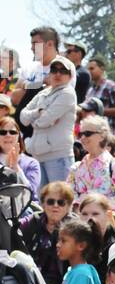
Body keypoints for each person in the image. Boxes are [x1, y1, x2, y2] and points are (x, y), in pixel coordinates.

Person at [19, 55, 77, 186]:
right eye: (54, 70)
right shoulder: (43, 93)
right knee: (43, 202)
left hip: (58, 156)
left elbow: (44, 121)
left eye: (63, 71)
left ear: (70, 76)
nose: (57, 73)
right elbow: (22, 117)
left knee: (60, 201)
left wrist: (33, 120)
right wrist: (38, 113)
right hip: (39, 155)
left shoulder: (68, 93)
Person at [69, 115, 115, 231]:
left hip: (109, 216)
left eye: (87, 133)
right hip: (81, 215)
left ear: (102, 135)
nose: (82, 138)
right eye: (80, 134)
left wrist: (93, 210)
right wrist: (83, 213)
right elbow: (70, 197)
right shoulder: (76, 167)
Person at [20, 181, 74, 284]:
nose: (55, 205)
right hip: (32, 279)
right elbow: (12, 228)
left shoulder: (75, 227)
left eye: (61, 202)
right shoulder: (33, 221)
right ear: (43, 204)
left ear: (69, 206)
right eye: (50, 201)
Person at [12, 26, 60, 140]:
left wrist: (25, 87)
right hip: (25, 135)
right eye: (31, 44)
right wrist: (40, 85)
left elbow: (52, 100)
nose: (32, 48)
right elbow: (14, 97)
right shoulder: (29, 67)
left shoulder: (62, 68)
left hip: (49, 135)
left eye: (35, 43)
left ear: (49, 44)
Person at [0, 116, 41, 199]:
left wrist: (16, 167)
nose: (8, 135)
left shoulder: (31, 163)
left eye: (12, 132)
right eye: (3, 132)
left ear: (19, 136)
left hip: (24, 209)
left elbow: (31, 192)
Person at [83, 57, 115, 124]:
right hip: (91, 130)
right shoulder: (90, 90)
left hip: (106, 130)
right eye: (88, 69)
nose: (89, 71)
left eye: (92, 68)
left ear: (102, 69)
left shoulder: (110, 86)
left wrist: (98, 111)